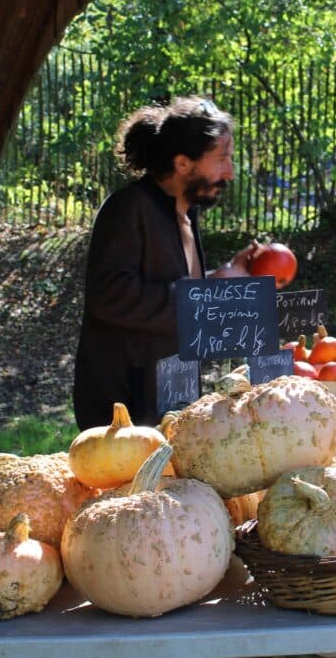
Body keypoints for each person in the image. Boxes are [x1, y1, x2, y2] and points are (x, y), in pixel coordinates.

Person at [73, 96, 259, 429]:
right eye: (222, 159)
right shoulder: (129, 208)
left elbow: (180, 293)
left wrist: (226, 275)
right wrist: (210, 288)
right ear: (183, 163)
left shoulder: (184, 214)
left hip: (169, 400)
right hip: (124, 411)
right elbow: (111, 296)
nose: (229, 173)